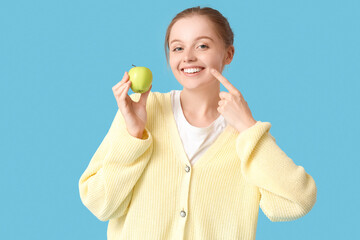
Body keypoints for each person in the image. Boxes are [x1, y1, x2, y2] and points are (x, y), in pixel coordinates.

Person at [78, 6, 317, 240]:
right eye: (178, 48)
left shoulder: (246, 136)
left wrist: (248, 128)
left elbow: (298, 201)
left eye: (202, 45)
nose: (188, 57)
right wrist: (133, 135)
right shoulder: (141, 110)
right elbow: (100, 204)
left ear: (228, 54)